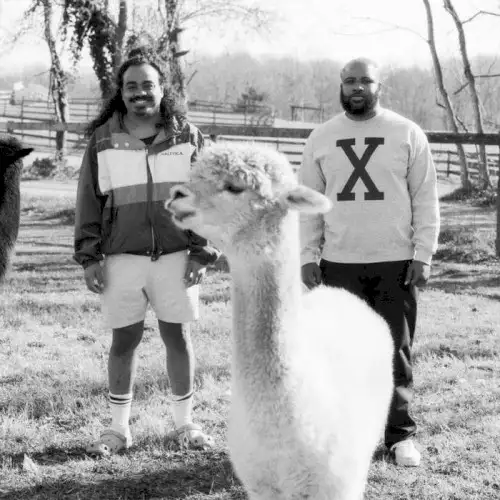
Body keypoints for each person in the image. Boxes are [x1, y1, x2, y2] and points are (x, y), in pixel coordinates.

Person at [74, 48, 220, 456]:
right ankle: (118, 430)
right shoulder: (103, 141)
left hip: (177, 257)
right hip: (121, 259)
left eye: (148, 84)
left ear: (162, 88)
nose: (140, 92)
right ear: (120, 92)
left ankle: (185, 425)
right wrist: (90, 257)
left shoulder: (188, 137)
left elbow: (206, 198)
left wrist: (201, 252)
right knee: (124, 341)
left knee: (178, 337)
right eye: (131, 86)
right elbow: (88, 201)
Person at [299, 57, 439, 467]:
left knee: (395, 351)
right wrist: (307, 255)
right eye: (350, 81)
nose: (357, 87)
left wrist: (424, 253)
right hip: (338, 262)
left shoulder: (406, 132)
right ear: (341, 85)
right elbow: (309, 203)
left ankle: (400, 436)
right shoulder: (322, 137)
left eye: (365, 80)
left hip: (395, 261)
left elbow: (425, 198)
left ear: (380, 86)